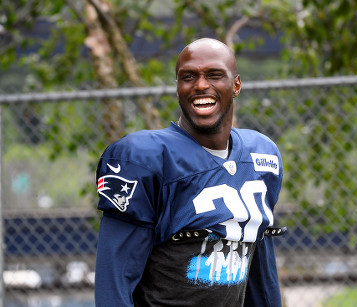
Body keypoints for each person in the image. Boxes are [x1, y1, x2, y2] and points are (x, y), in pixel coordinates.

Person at [95, 38, 284, 306]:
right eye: (188, 77)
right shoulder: (144, 158)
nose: (201, 85)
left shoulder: (261, 156)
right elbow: (114, 279)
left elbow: (261, 270)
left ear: (236, 85)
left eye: (214, 75)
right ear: (177, 88)